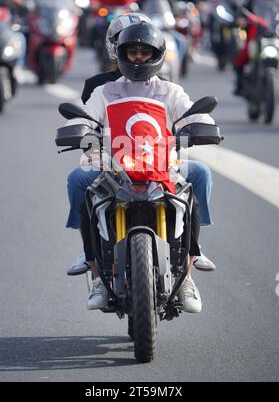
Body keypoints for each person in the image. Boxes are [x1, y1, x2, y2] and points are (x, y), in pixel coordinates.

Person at [65, 21, 217, 313]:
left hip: (163, 162)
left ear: (156, 55)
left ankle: (188, 268)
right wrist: (79, 131)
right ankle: (96, 271)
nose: (137, 58)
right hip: (113, 165)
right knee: (78, 179)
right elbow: (84, 118)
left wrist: (200, 125)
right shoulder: (105, 91)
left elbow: (189, 113)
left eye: (144, 53)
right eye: (131, 52)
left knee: (200, 173)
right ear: (120, 54)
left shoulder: (170, 91)